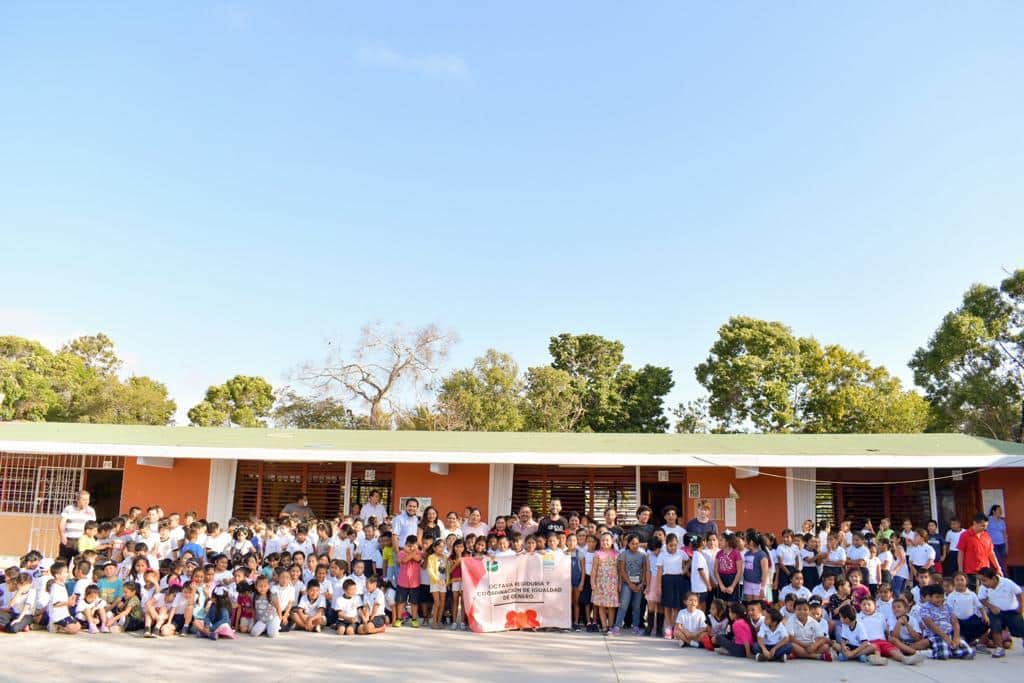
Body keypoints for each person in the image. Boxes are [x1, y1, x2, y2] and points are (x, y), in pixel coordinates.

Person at [977, 566, 1023, 658]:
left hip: (1011, 610)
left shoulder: (1007, 582)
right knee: (995, 626)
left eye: (984, 580)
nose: (982, 583)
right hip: (996, 612)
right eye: (981, 580)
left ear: (993, 578)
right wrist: (991, 606)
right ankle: (999, 648)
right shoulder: (983, 587)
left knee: (1020, 629)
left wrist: (1020, 607)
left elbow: (1019, 592)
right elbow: (982, 599)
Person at [919, 584, 975, 660]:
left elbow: (955, 623)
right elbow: (930, 624)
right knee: (943, 655)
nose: (940, 599)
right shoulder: (925, 607)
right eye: (937, 597)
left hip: (950, 634)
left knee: (969, 653)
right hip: (936, 635)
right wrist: (945, 637)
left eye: (942, 597)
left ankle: (947, 651)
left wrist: (956, 638)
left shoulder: (947, 606)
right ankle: (929, 653)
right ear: (930, 598)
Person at [612, 533, 647, 635]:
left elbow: (644, 569)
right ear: (628, 544)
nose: (635, 545)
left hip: (639, 584)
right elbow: (622, 570)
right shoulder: (624, 554)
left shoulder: (642, 555)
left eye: (637, 543)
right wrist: (630, 583)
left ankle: (635, 626)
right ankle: (617, 626)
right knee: (623, 605)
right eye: (632, 543)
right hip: (627, 584)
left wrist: (642, 583)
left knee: (636, 606)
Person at [958, 512, 1002, 587]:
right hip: (971, 572)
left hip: (985, 572)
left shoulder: (986, 535)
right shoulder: (965, 535)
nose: (985, 528)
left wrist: (998, 567)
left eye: (986, 526)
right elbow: (961, 553)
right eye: (983, 526)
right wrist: (961, 570)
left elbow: (991, 553)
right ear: (975, 523)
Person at [590, 532, 620, 633]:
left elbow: (619, 570)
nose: (605, 542)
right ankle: (604, 625)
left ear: (612, 541)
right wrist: (592, 583)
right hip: (600, 583)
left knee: (611, 606)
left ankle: (611, 626)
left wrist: (619, 584)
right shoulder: (597, 554)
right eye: (603, 540)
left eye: (607, 540)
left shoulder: (616, 554)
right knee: (601, 605)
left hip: (612, 584)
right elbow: (594, 569)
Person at [58, 491, 96, 564]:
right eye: (84, 500)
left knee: (82, 564)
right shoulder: (69, 509)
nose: (86, 502)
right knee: (63, 563)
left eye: (88, 499)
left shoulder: (91, 511)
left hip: (83, 541)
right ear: (77, 500)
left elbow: (92, 526)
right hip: (69, 540)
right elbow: (62, 523)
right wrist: (62, 536)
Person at [988, 505, 1008, 576]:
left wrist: (1006, 546)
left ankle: (1000, 576)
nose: (1000, 511)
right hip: (993, 544)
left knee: (1001, 561)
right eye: (999, 510)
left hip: (1001, 544)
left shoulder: (1002, 521)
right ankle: (1004, 576)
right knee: (998, 562)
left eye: (1001, 510)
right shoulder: (988, 520)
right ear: (993, 511)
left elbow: (1004, 534)